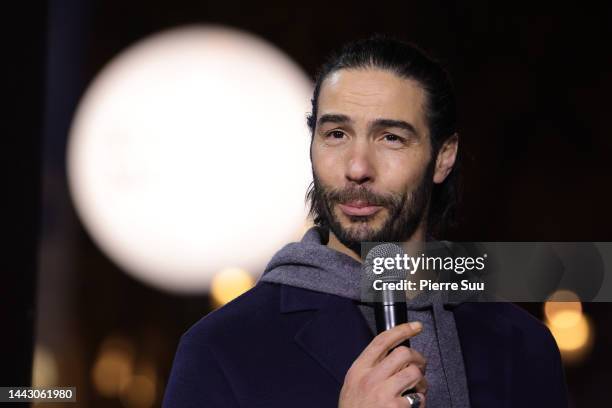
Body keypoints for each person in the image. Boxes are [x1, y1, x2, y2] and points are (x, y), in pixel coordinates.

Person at [163, 35, 568, 407]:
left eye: (391, 137)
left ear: (443, 156)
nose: (357, 168)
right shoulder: (225, 347)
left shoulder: (520, 346)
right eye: (336, 134)